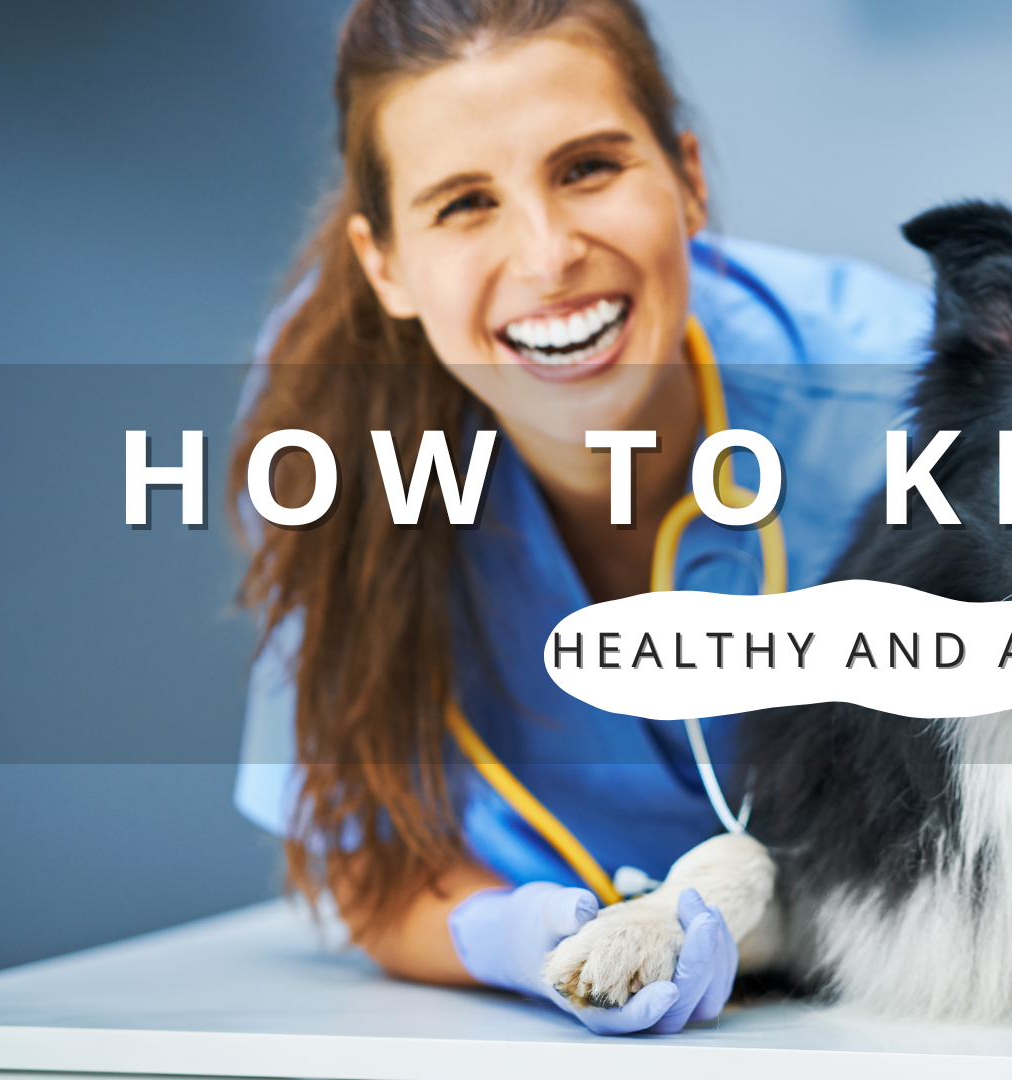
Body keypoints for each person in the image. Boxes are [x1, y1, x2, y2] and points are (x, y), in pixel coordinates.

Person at [229, 0, 927, 1035]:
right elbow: (369, 857)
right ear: (386, 266)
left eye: (588, 168)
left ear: (688, 179)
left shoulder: (908, 405)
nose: (550, 254)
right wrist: (523, 943)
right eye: (465, 203)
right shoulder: (325, 434)